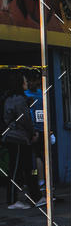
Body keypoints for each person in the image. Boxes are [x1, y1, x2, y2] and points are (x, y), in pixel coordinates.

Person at [2, 70, 42, 208]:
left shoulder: (12, 98)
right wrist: (33, 133)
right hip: (17, 138)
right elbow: (24, 119)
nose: (26, 83)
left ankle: (35, 197)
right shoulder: (18, 100)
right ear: (20, 84)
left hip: (17, 138)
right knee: (17, 169)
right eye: (24, 81)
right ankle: (13, 201)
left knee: (27, 168)